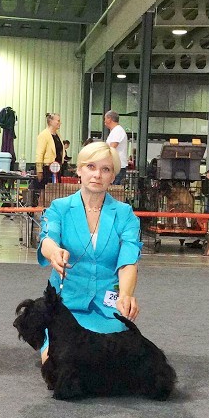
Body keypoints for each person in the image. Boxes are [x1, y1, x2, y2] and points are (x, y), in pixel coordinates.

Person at [37, 141, 142, 363]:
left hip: (107, 309)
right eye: (91, 167)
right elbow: (47, 239)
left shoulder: (125, 214)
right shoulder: (59, 208)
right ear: (79, 170)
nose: (97, 175)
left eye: (106, 169)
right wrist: (54, 252)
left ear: (113, 176)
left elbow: (128, 261)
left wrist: (125, 294)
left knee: (107, 364)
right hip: (66, 308)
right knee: (57, 363)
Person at [35, 113, 64, 203]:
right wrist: (39, 170)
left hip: (57, 168)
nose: (60, 123)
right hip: (47, 168)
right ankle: (41, 208)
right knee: (44, 192)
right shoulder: (44, 135)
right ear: (51, 122)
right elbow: (39, 153)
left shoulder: (58, 135)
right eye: (58, 121)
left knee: (54, 192)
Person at [104, 110, 128, 185]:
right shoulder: (115, 131)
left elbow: (112, 148)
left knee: (114, 188)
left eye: (105, 118)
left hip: (118, 166)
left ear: (109, 119)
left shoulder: (118, 131)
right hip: (115, 165)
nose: (104, 121)